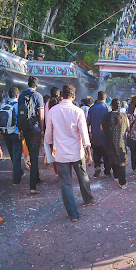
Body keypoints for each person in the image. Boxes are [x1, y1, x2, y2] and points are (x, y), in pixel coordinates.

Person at [44, 84, 94, 221]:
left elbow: (48, 134)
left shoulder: (53, 111)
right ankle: (88, 199)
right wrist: (89, 153)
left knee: (66, 184)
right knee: (83, 177)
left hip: (61, 154)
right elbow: (84, 134)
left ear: (61, 95)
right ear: (73, 96)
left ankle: (73, 214)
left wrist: (49, 149)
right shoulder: (78, 111)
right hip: (77, 152)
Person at [18, 76, 44, 195]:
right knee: (34, 157)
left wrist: (20, 130)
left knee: (32, 154)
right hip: (35, 129)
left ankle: (36, 178)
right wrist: (42, 130)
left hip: (25, 129)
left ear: (28, 84)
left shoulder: (22, 96)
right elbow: (41, 115)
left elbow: (18, 113)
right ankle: (32, 186)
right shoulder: (38, 96)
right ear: (36, 86)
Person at [102, 99, 130, 189]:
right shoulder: (124, 116)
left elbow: (101, 127)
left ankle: (116, 176)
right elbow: (128, 128)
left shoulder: (107, 116)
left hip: (109, 141)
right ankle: (122, 183)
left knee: (112, 159)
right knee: (122, 161)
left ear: (111, 106)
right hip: (121, 142)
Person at [0, 86, 23, 184]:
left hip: (5, 133)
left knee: (13, 156)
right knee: (17, 156)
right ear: (17, 95)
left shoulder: (3, 105)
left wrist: (1, 133)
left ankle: (19, 172)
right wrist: (21, 132)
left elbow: (1, 120)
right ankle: (16, 180)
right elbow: (20, 120)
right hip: (15, 133)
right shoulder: (18, 105)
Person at [87, 91, 110, 178]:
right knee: (106, 154)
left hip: (95, 135)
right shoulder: (108, 108)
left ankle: (97, 167)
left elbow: (88, 122)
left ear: (97, 97)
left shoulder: (92, 108)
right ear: (105, 98)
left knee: (96, 152)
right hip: (106, 136)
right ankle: (107, 172)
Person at [127, 96, 136, 176]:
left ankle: (134, 168)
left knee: (133, 153)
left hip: (131, 136)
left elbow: (127, 127)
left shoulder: (128, 113)